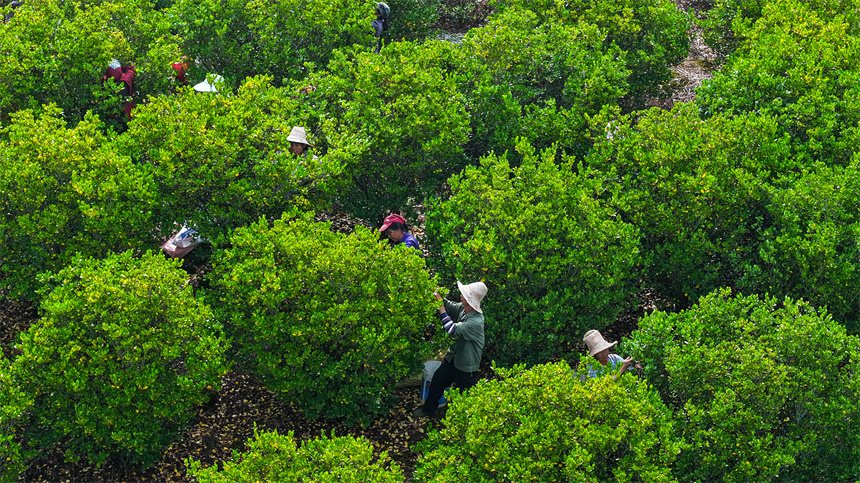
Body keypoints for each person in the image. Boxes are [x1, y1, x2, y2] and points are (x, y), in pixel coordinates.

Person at [413, 281, 487, 418]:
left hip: (466, 366)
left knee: (466, 397)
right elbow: (450, 305)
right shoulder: (463, 308)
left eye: (464, 295)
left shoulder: (476, 322)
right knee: (438, 381)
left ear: (471, 301)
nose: (461, 295)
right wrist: (438, 296)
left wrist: (441, 308)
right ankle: (429, 409)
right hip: (452, 358)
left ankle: (466, 425)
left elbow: (451, 329)